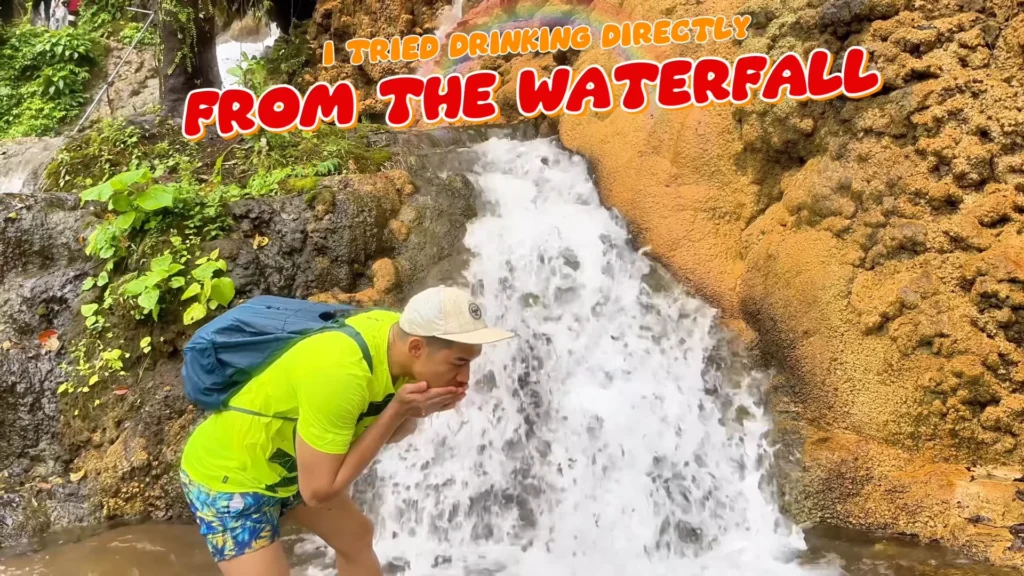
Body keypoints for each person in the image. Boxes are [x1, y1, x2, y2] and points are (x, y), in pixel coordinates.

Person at [178, 285, 515, 575]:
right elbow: (319, 492)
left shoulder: (400, 341)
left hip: (291, 463)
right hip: (230, 476)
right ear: (417, 348)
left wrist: (414, 412)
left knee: (355, 536)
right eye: (459, 363)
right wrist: (398, 411)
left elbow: (387, 434)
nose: (465, 379)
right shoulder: (342, 374)